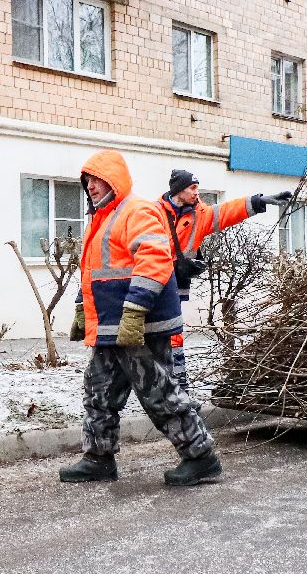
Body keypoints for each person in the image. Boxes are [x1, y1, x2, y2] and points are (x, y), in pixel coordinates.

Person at [64, 150, 223, 487]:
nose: (91, 186)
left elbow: (154, 261)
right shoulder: (101, 218)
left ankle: (201, 457)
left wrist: (135, 311)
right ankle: (98, 459)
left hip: (142, 327)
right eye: (88, 180)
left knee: (160, 392)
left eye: (97, 179)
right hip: (112, 327)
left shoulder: (136, 211)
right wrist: (83, 308)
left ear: (114, 180)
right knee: (98, 392)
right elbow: (95, 272)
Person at [159, 169, 294, 390]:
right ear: (178, 191)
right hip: (151, 283)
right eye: (192, 188)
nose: (197, 192)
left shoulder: (199, 214)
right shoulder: (154, 213)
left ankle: (178, 387)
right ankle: (160, 384)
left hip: (176, 284)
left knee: (173, 335)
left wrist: (258, 201)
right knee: (155, 335)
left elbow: (228, 211)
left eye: (197, 187)